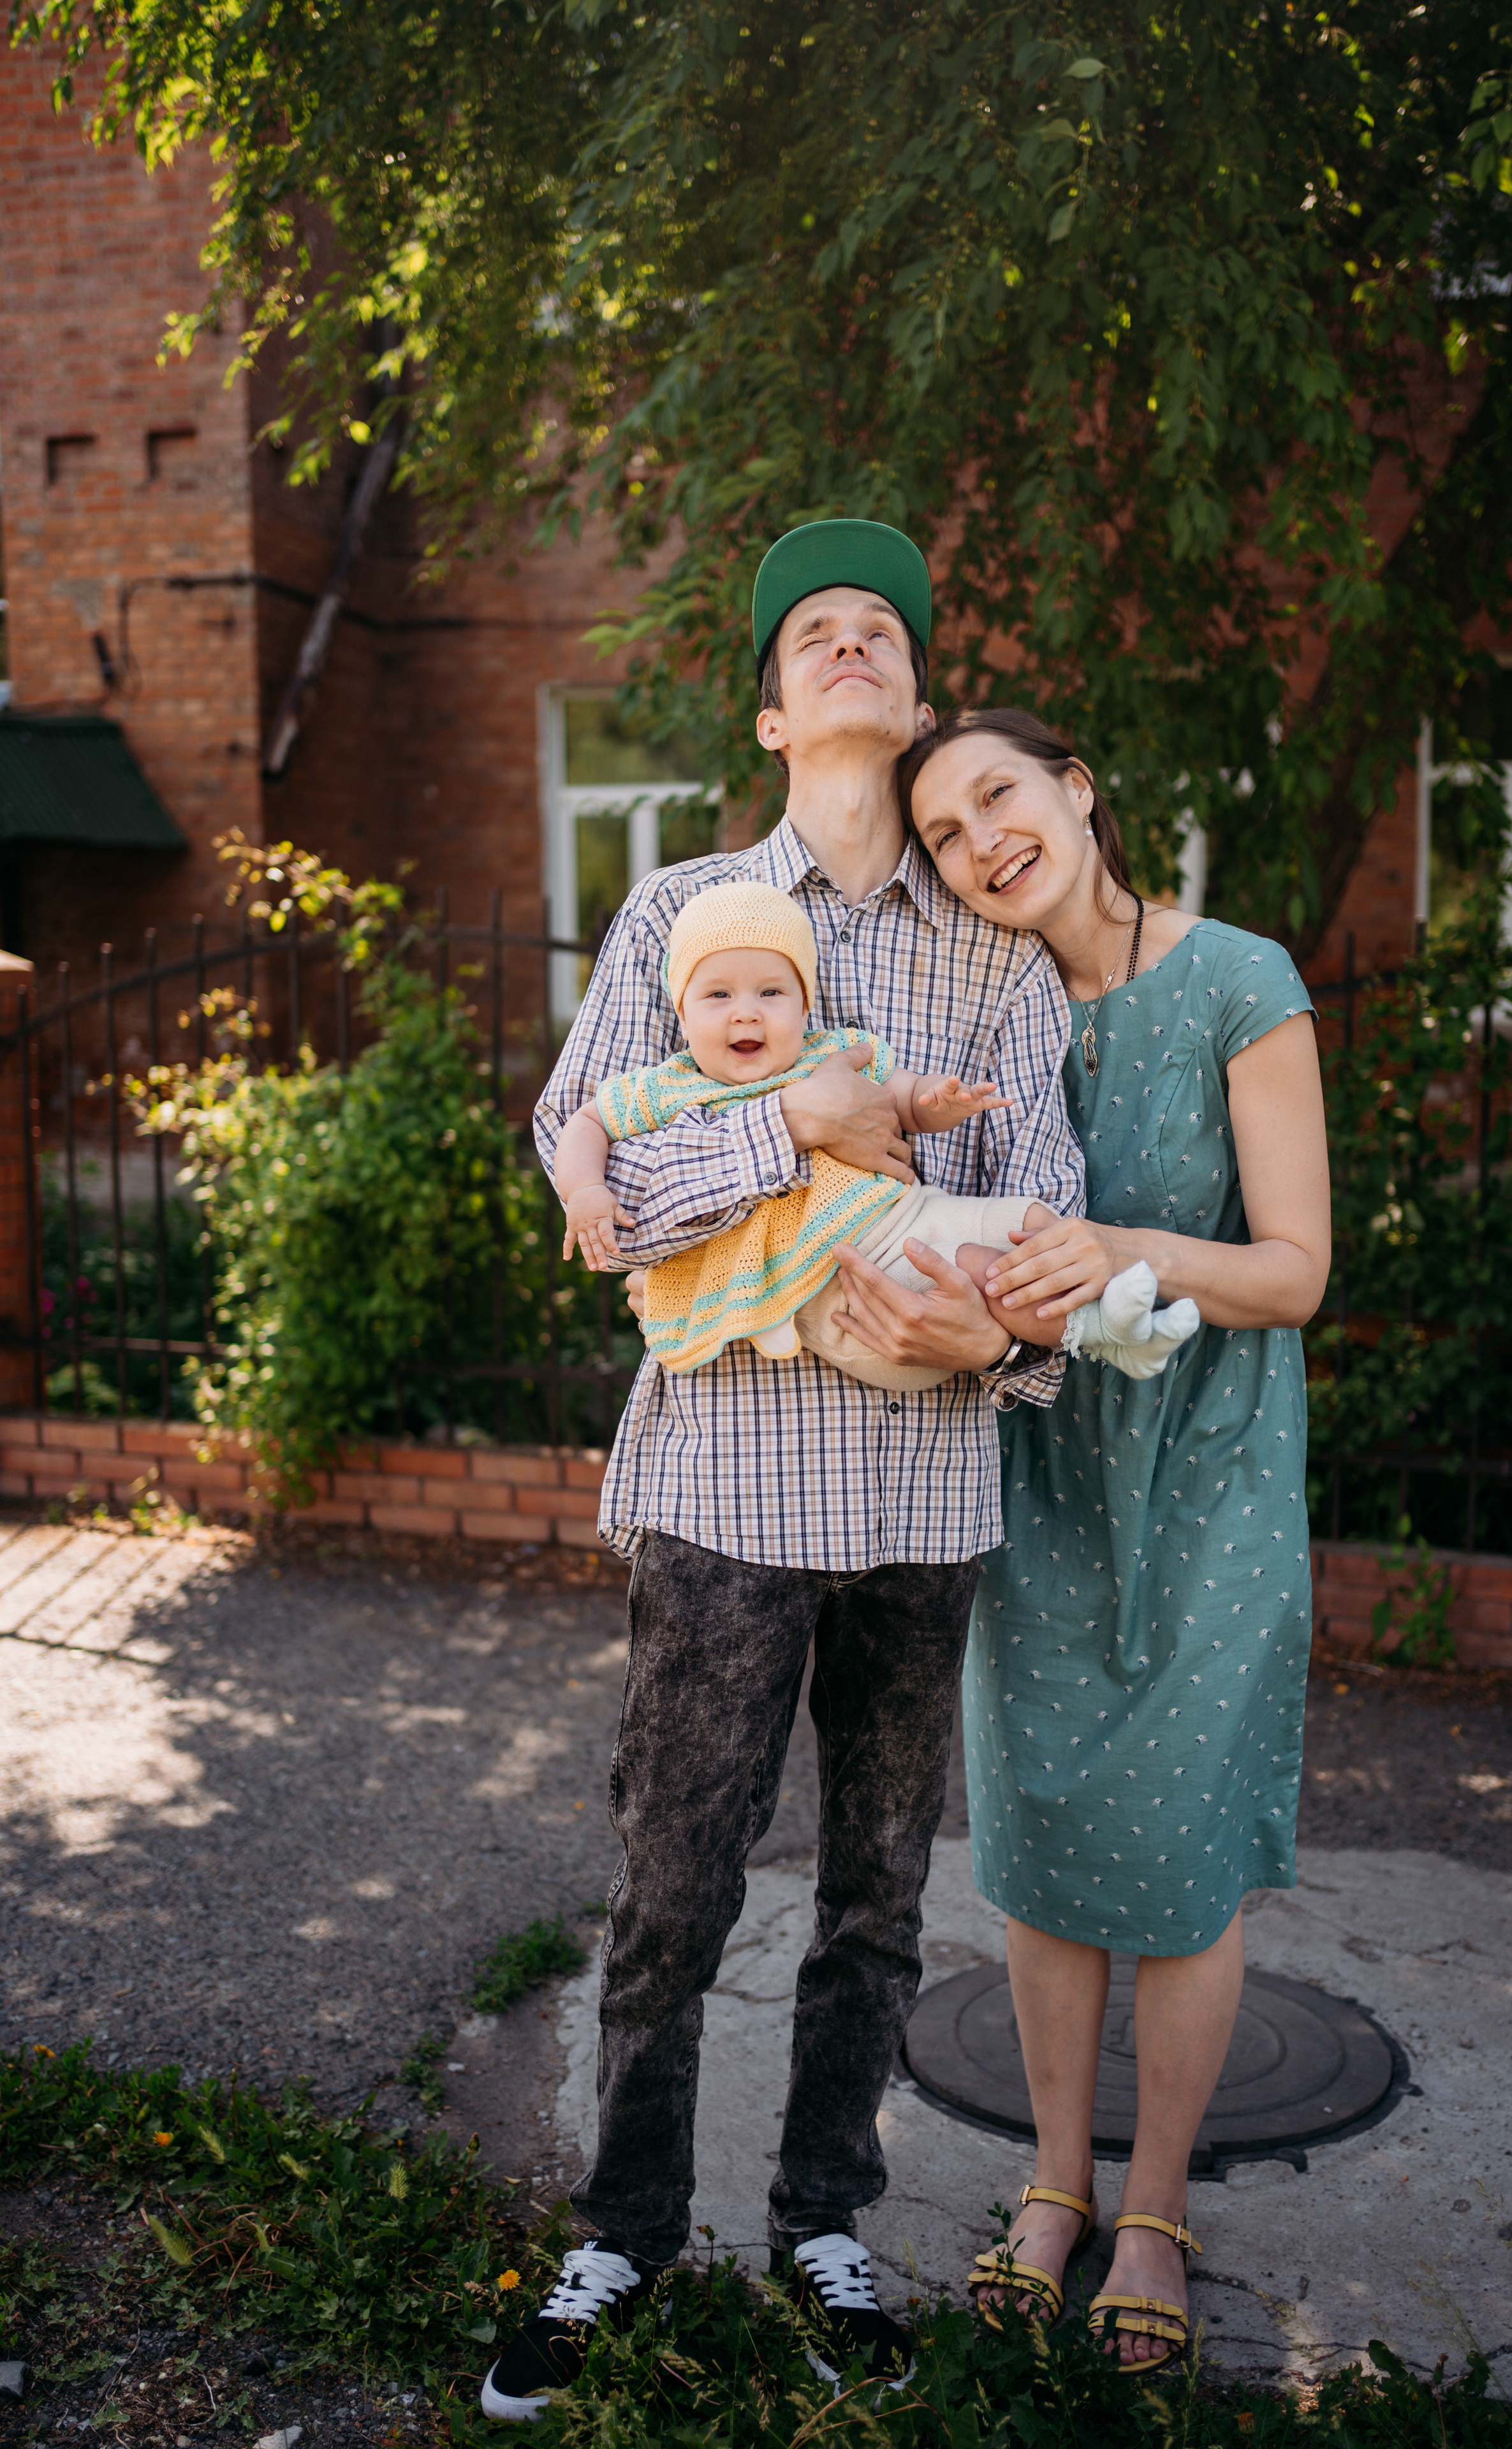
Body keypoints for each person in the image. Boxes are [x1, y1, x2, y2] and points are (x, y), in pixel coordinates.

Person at [483, 519, 1086, 2422]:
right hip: (726, 1492)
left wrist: (1002, 1328)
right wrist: (794, 1130)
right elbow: (595, 1179)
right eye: (812, 630)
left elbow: (1053, 1207)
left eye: (881, 629)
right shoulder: (675, 915)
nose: (849, 644)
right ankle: (625, 2227)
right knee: (675, 1874)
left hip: (922, 1497)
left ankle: (823, 2213)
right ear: (768, 702)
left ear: (911, 704)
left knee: (882, 1890)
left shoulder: (988, 947)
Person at [898, 707, 1330, 2374]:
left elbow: (1293, 1274)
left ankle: (1156, 2203)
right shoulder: (978, 1018)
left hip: (1210, 1487)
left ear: (1079, 789)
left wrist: (1115, 1248)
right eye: (943, 832)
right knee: (1045, 1845)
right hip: (1039, 1478)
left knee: (1189, 1864)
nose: (980, 840)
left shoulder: (1238, 976)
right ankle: (1056, 2182)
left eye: (997, 795)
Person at [554, 877, 1198, 1386]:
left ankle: (1111, 1333)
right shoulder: (669, 1087)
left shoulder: (829, 1055)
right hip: (845, 1284)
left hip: (910, 1217)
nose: (746, 1011)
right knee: (983, 1271)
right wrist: (584, 1191)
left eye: (771, 992)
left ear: (804, 1006)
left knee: (1030, 1230)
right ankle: (1096, 1333)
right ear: (682, 1012)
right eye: (717, 996)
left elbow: (900, 1098)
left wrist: (935, 1101)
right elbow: (584, 1122)